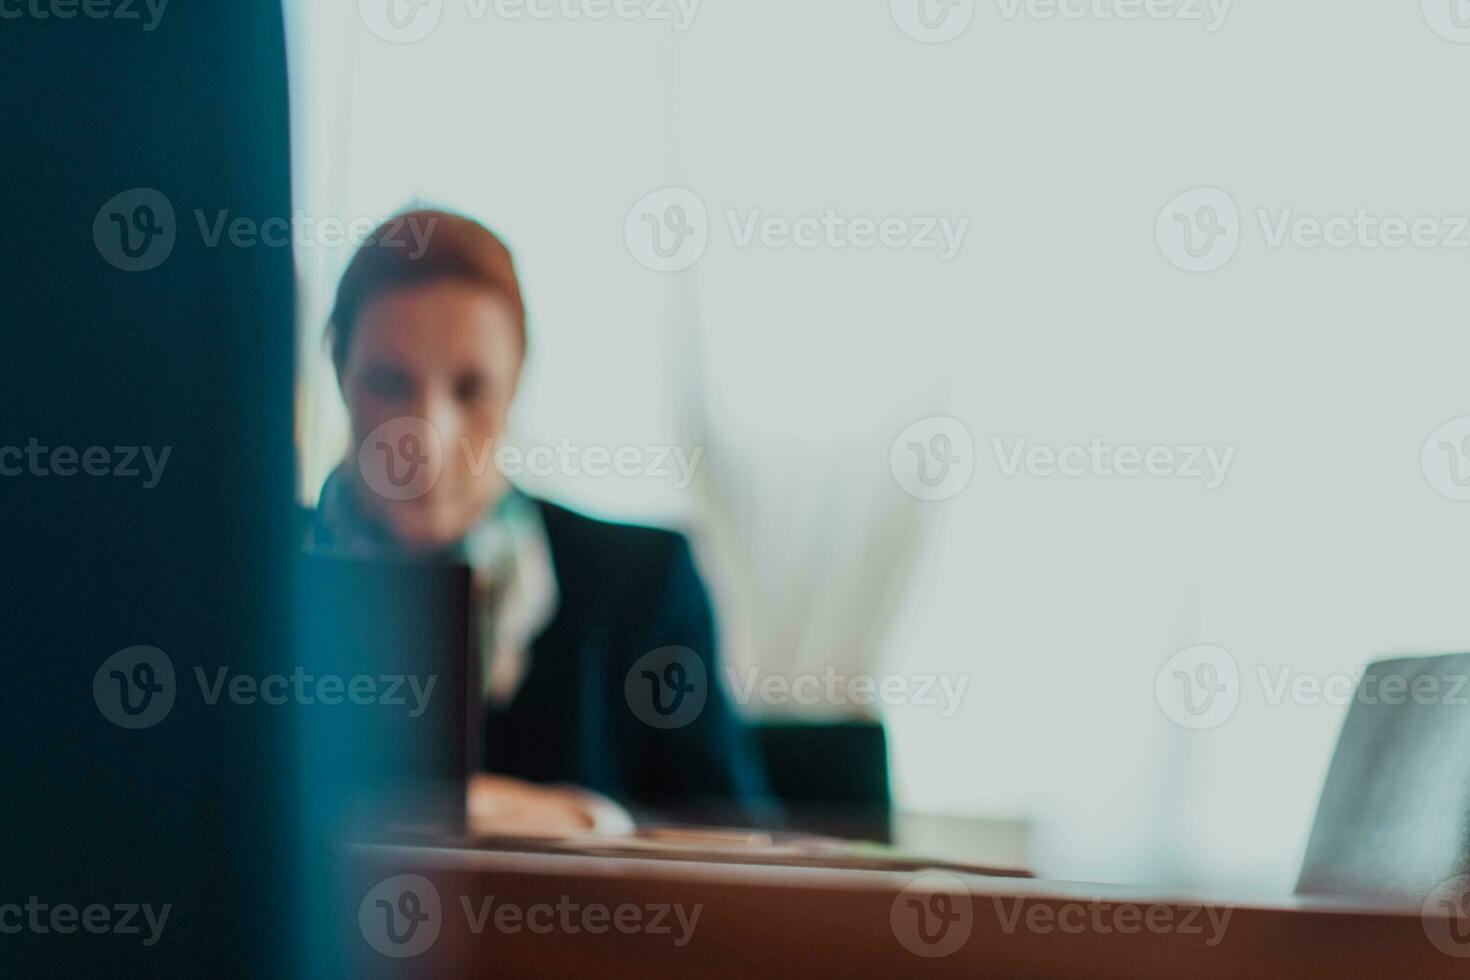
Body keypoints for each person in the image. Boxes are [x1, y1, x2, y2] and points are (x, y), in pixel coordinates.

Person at [305, 209, 770, 835]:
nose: (427, 439)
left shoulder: (643, 586)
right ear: (339, 374)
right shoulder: (234, 573)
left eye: (471, 391)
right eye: (389, 384)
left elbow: (739, 849)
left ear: (516, 385)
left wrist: (586, 819)